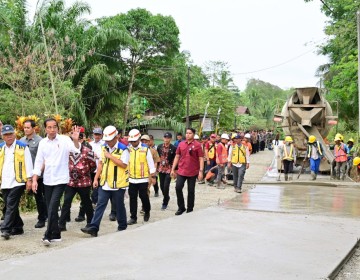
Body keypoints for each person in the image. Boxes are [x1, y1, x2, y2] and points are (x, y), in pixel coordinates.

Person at [32, 118, 80, 246]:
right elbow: (38, 161)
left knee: (53, 206)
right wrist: (35, 178)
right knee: (50, 208)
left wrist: (75, 140)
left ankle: (47, 235)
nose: (52, 130)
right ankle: (56, 234)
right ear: (45, 129)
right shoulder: (42, 143)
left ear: (58, 128)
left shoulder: (64, 140)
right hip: (48, 179)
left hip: (61, 179)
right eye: (49, 127)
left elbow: (76, 150)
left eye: (54, 127)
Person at [81, 126, 129, 237]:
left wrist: (111, 156)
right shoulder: (104, 147)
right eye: (107, 140)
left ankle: (122, 226)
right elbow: (101, 164)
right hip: (105, 182)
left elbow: (124, 164)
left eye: (110, 140)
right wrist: (96, 178)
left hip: (118, 183)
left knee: (119, 206)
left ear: (116, 137)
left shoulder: (123, 149)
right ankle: (94, 227)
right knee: (100, 205)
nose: (108, 142)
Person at [58, 132, 96, 232]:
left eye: (78, 139)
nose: (76, 141)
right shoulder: (67, 151)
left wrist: (84, 172)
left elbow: (93, 166)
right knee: (66, 202)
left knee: (86, 202)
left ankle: (90, 223)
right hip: (70, 182)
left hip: (84, 182)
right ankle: (61, 224)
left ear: (82, 139)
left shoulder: (88, 151)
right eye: (74, 139)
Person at [0, 125, 33, 240]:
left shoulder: (23, 147)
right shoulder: (1, 148)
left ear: (14, 134)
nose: (9, 137)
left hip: (18, 182)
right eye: (6, 135)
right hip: (5, 182)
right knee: (10, 206)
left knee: (10, 204)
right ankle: (18, 227)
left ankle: (6, 229)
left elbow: (28, 163)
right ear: (2, 136)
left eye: (11, 134)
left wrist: (29, 180)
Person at [170, 128, 204, 215]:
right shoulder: (181, 144)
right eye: (187, 133)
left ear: (193, 134)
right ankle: (181, 207)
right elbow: (177, 157)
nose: (188, 134)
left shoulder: (197, 145)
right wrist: (173, 169)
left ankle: (190, 209)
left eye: (190, 133)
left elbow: (201, 159)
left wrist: (200, 171)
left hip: (193, 171)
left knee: (191, 191)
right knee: (178, 187)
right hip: (181, 170)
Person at [20, 120, 47, 228]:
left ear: (33, 128)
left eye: (28, 127)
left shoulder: (40, 141)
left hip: (38, 175)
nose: (26, 129)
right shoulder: (21, 141)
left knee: (39, 197)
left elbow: (44, 159)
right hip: (25, 175)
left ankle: (42, 218)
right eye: (24, 128)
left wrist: (38, 173)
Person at [127, 129, 156, 225]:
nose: (133, 143)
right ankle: (133, 217)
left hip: (143, 178)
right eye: (131, 141)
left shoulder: (145, 149)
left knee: (143, 197)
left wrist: (153, 176)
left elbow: (151, 164)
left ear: (139, 139)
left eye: (134, 141)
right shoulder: (128, 149)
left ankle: (147, 211)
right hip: (131, 178)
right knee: (132, 198)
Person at [75, 127, 104, 222]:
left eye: (99, 134)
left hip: (100, 171)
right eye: (96, 134)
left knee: (96, 193)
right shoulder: (89, 144)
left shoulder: (104, 144)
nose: (97, 136)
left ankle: (112, 212)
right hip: (89, 172)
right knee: (86, 194)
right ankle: (82, 214)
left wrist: (97, 156)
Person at [157, 132, 176, 210]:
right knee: (161, 186)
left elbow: (175, 159)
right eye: (165, 137)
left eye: (168, 138)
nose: (166, 139)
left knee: (166, 186)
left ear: (170, 139)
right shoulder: (159, 147)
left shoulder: (173, 148)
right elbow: (157, 158)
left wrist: (174, 170)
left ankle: (165, 202)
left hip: (169, 169)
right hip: (161, 168)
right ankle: (166, 196)